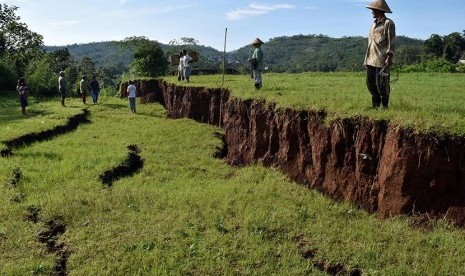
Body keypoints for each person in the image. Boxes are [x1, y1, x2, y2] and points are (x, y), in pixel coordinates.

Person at [364, 0, 396, 109]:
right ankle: (375, 106)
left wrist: (389, 57)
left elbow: (391, 41)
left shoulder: (388, 23)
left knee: (383, 85)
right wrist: (366, 59)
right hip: (371, 59)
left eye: (373, 10)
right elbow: (370, 43)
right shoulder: (373, 25)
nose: (372, 12)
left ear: (379, 11)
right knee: (370, 83)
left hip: (382, 59)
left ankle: (385, 107)